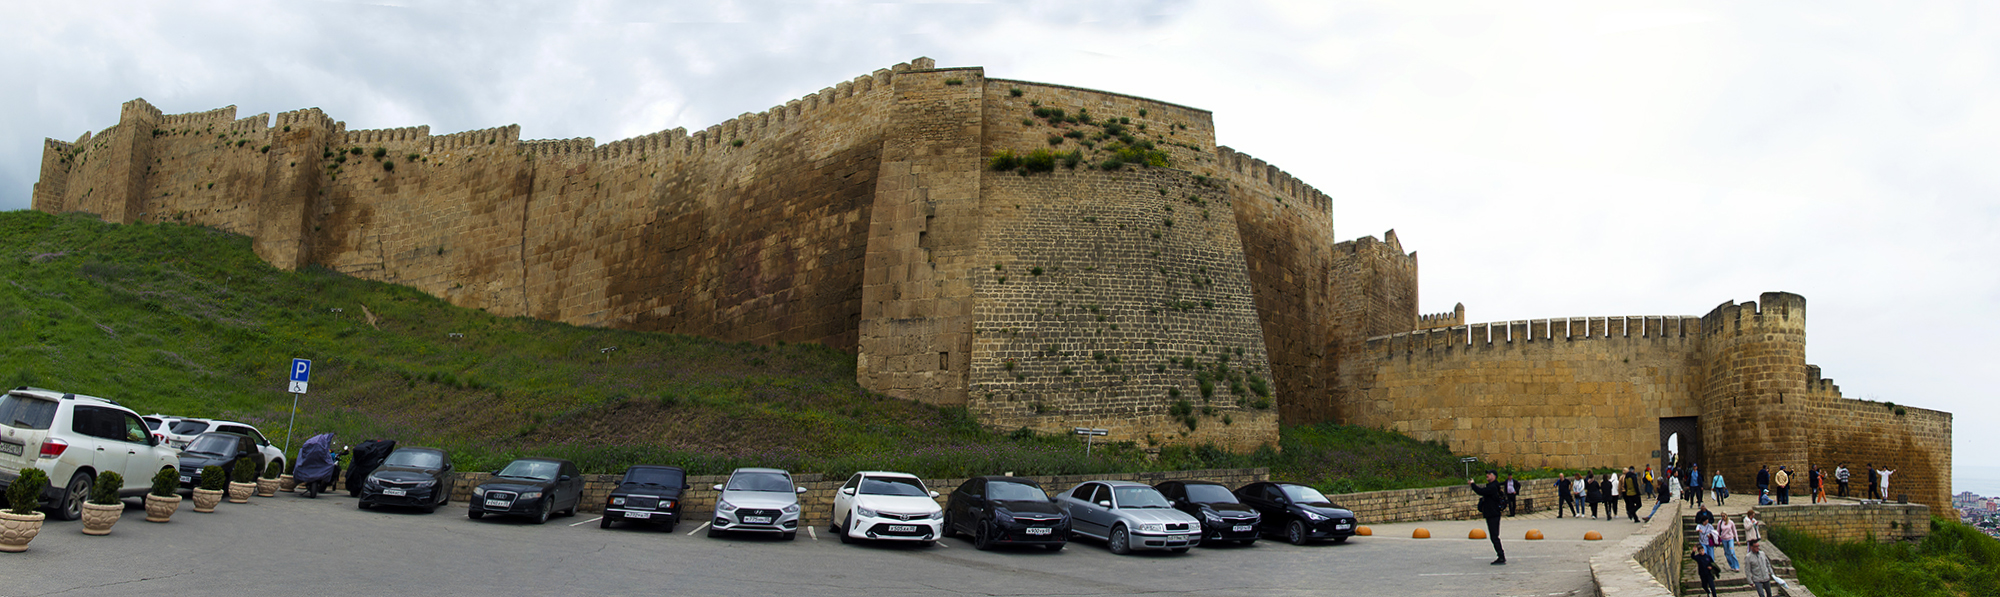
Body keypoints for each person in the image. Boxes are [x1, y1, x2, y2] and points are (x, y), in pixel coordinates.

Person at [1468, 470, 1508, 565]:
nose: (1487, 475)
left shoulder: (1493, 487)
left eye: (1489, 474)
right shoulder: (1492, 486)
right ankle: (1500, 555)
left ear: (1494, 476)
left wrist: (1473, 485)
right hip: (1491, 513)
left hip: (1493, 514)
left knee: (1494, 536)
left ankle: (1501, 556)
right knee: (1494, 536)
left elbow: (1481, 491)